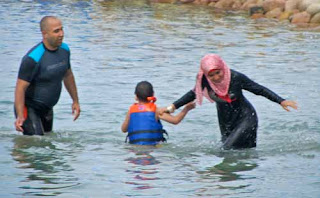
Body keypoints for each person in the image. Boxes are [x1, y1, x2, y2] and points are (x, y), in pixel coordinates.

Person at [163, 54, 297, 150]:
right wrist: (173, 106)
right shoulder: (204, 81)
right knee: (240, 150)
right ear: (206, 74)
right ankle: (234, 185)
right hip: (225, 120)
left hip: (246, 118)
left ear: (222, 67)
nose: (216, 77)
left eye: (218, 72)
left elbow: (259, 89)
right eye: (211, 75)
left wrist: (281, 101)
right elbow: (192, 94)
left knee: (226, 149)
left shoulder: (235, 77)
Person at [14, 16, 80, 135]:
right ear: (45, 34)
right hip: (29, 108)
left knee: (47, 142)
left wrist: (75, 101)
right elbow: (20, 88)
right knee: (36, 142)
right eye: (56, 31)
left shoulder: (64, 50)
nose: (61, 34)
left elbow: (68, 75)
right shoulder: (33, 58)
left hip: (47, 108)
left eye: (61, 29)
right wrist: (20, 116)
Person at [121, 81, 195, 145]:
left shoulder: (131, 111)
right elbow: (175, 120)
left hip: (134, 148)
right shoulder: (156, 111)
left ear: (136, 96)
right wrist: (187, 108)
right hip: (153, 148)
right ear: (153, 94)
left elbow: (124, 129)